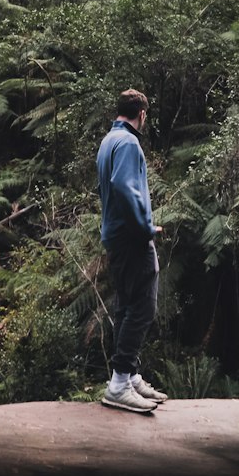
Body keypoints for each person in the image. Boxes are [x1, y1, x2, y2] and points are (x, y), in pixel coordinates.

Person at [96, 88, 169, 414]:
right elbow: (125, 188)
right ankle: (119, 383)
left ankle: (129, 375)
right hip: (132, 239)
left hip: (116, 237)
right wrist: (144, 227)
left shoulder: (108, 141)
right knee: (143, 307)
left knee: (126, 306)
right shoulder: (128, 143)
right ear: (141, 114)